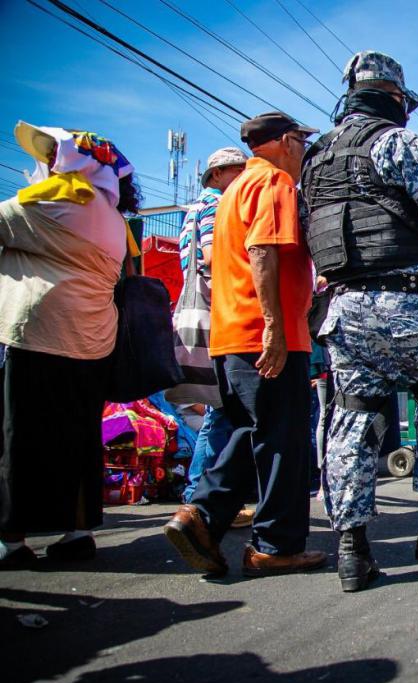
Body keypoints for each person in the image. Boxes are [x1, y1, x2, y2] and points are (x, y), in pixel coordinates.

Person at [300, 51, 418, 592]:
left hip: (344, 310)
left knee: (351, 419)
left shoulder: (315, 157)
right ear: (396, 98)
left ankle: (352, 552)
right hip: (407, 305)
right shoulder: (399, 142)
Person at [163, 112, 326, 578]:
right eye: (299, 140)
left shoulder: (235, 190)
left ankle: (200, 517)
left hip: (233, 334)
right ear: (281, 142)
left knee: (244, 433)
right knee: (281, 443)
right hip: (267, 335)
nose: (303, 151)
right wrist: (275, 327)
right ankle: (275, 545)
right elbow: (262, 250)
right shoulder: (273, 182)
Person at [0, 124, 138, 567]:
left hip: (41, 333)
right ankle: (78, 532)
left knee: (19, 437)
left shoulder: (59, 202)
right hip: (94, 339)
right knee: (79, 438)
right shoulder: (115, 219)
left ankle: (13, 540)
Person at [171, 147, 248, 507]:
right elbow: (215, 259)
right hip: (216, 311)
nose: (242, 177)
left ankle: (198, 497)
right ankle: (201, 500)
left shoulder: (194, 209)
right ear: (216, 174)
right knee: (221, 410)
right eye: (236, 170)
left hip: (198, 311)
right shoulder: (217, 205)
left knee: (217, 408)